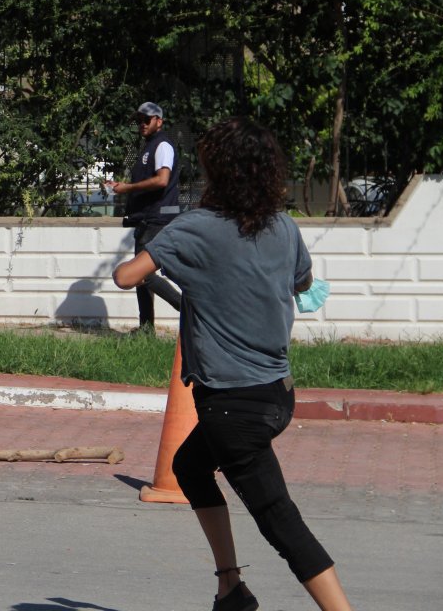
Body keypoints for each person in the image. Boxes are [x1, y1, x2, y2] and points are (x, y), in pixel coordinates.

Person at [112, 117, 353, 611]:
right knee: (189, 466)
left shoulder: (194, 229)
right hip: (277, 394)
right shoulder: (284, 227)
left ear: (216, 171)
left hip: (231, 406)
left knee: (280, 520)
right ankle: (230, 588)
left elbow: (126, 276)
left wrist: (190, 271)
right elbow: (304, 285)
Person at [106, 101, 182, 330]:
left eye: (146, 120)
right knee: (141, 276)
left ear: (159, 121)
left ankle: (187, 308)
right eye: (139, 120)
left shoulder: (162, 145)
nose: (142, 124)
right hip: (147, 218)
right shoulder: (150, 146)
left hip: (157, 219)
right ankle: (146, 328)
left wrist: (128, 188)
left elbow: (162, 180)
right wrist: (122, 187)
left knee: (141, 273)